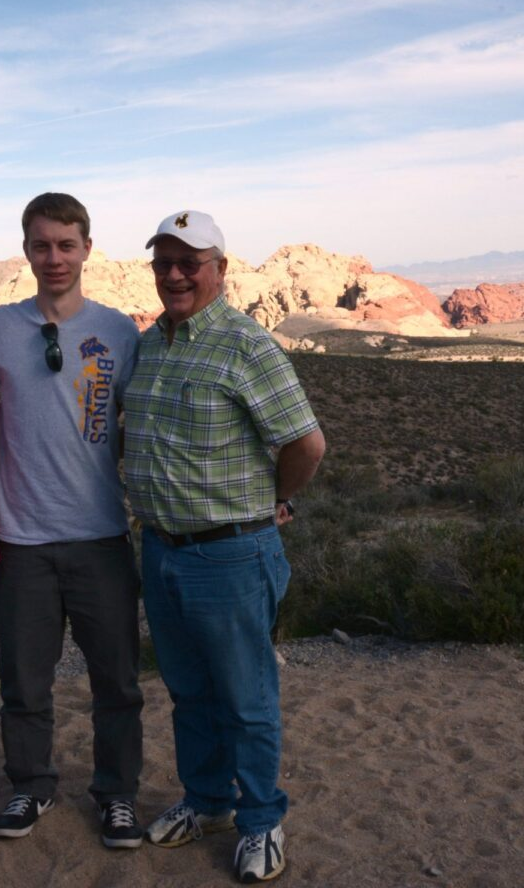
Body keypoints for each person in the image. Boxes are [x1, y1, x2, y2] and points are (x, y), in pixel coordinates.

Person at [122, 211, 325, 883]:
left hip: (231, 554)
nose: (175, 275)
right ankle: (207, 801)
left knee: (245, 697)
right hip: (163, 549)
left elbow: (305, 443)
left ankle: (261, 819)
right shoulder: (152, 343)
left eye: (190, 263)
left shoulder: (246, 344)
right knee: (188, 692)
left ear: (219, 270)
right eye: (164, 263)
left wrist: (275, 502)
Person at [0, 192, 146, 849]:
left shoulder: (119, 330)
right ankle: (30, 786)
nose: (54, 257)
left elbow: (152, 417)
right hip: (21, 540)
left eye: (66, 245)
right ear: (26, 251)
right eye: (41, 245)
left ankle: (117, 795)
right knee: (23, 679)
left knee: (116, 681)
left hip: (100, 536)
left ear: (87, 249)